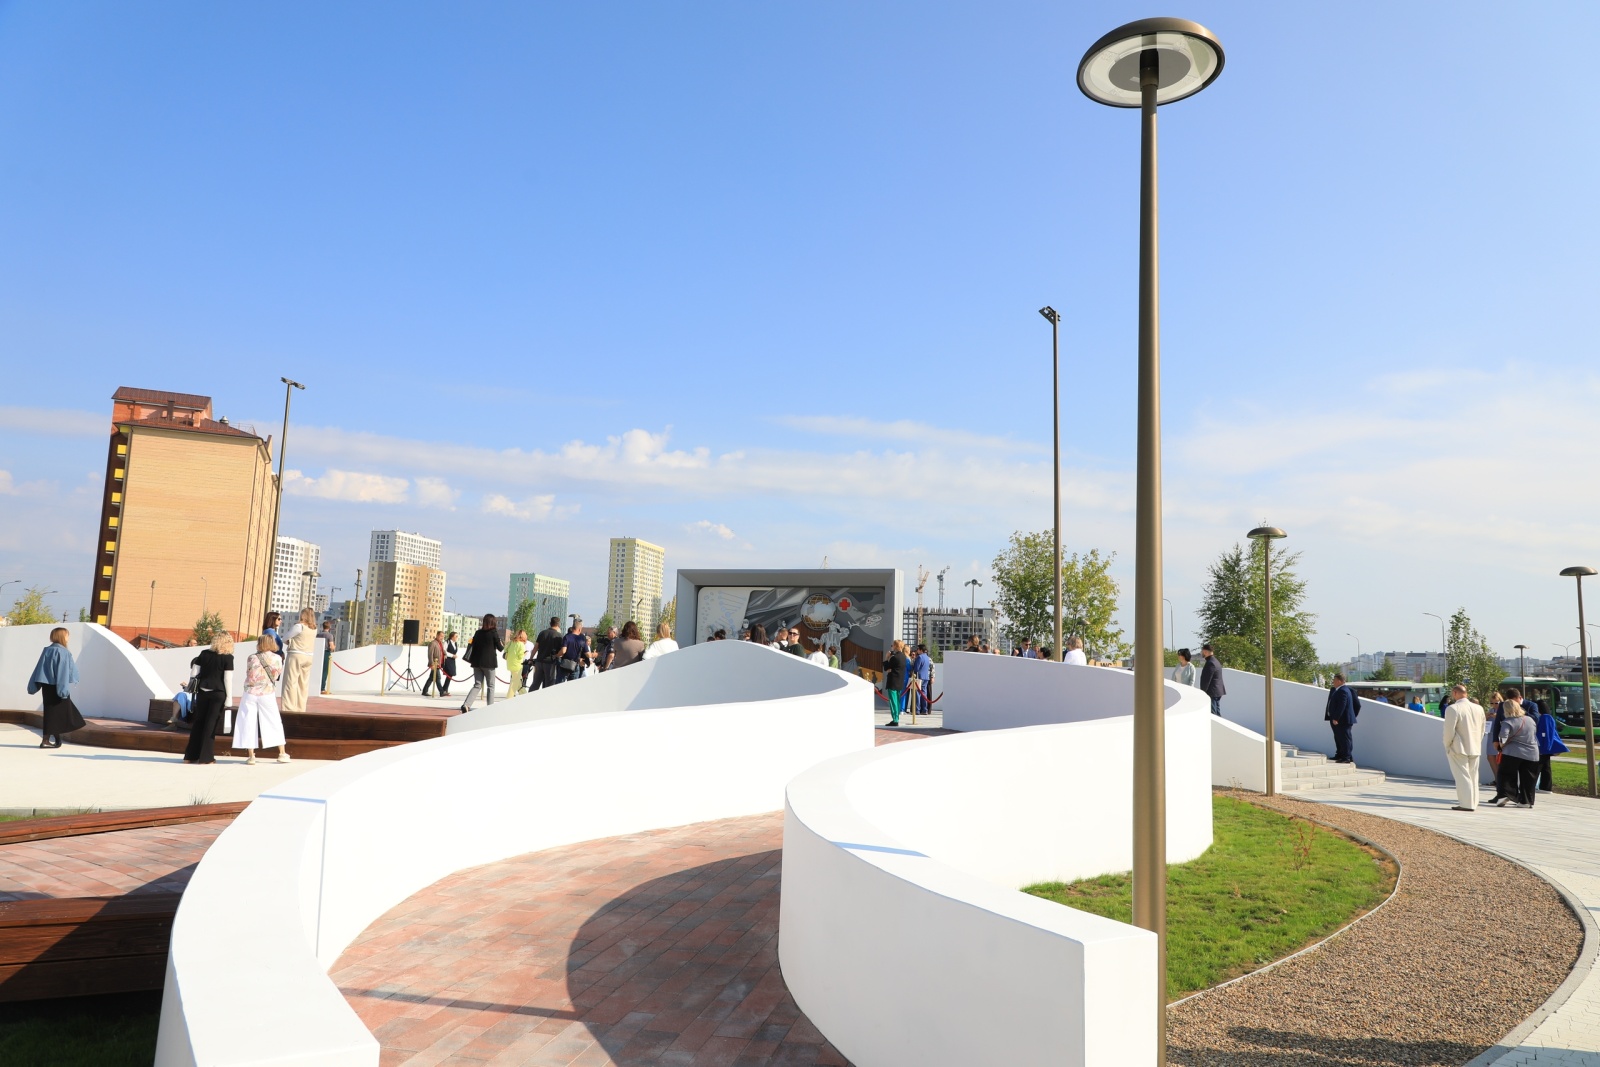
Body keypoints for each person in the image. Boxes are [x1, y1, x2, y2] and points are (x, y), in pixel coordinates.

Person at [235, 635, 289, 765]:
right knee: (274, 721)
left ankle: (251, 756)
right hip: (267, 692)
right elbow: (276, 676)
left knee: (248, 722)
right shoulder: (277, 658)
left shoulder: (252, 657)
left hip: (250, 693)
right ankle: (281, 753)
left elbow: (249, 674)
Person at [27, 627, 85, 748]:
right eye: (67, 635)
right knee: (65, 713)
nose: (68, 638)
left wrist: (34, 685)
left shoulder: (47, 650)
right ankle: (50, 739)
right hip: (58, 686)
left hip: (47, 687)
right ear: (62, 636)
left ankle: (49, 740)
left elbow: (39, 668)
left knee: (52, 713)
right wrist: (63, 691)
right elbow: (62, 673)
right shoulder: (63, 652)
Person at [185, 634, 235, 764]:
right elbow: (227, 679)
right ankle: (206, 758)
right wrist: (229, 698)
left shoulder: (204, 653)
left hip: (202, 691)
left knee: (198, 722)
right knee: (210, 725)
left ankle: (190, 756)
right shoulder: (228, 657)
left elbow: (194, 672)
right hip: (218, 693)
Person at [1441, 683, 1485, 811]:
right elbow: (1482, 729)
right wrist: (1477, 742)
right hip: (1475, 746)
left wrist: (1447, 744)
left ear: (1455, 693)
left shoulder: (1453, 708)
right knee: (1473, 776)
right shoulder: (1479, 708)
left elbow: (1448, 730)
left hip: (1458, 747)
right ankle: (1473, 802)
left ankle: (1466, 804)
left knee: (1462, 776)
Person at [1494, 698, 1540, 807]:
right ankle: (1526, 801)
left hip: (1512, 752)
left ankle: (1505, 794)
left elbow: (1503, 738)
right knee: (1528, 778)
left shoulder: (1507, 722)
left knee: (1505, 774)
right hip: (1532, 753)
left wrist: (1500, 746)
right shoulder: (1530, 720)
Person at [460, 614, 505, 711]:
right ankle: (490, 708)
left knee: (477, 685)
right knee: (491, 686)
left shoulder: (477, 633)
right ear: (493, 623)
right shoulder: (493, 632)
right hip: (489, 664)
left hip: (476, 663)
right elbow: (500, 648)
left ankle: (466, 705)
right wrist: (501, 642)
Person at [280, 608, 317, 714]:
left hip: (296, 654)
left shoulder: (299, 626)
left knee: (290, 682)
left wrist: (291, 641)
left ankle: (289, 709)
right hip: (309, 656)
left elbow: (284, 638)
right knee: (303, 684)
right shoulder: (314, 629)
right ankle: (301, 708)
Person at [1535, 699, 1569, 792]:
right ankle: (1545, 787)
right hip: (1546, 746)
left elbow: (1545, 734)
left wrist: (1543, 747)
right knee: (1546, 767)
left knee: (1539, 766)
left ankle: (1538, 786)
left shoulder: (1544, 718)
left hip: (1543, 746)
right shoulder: (1548, 717)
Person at [1325, 673, 1357, 764]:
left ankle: (1346, 757)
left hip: (1342, 720)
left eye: (1334, 680)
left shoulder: (1343, 690)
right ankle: (1341, 754)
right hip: (1340, 719)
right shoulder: (1339, 690)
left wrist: (1336, 718)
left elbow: (1342, 705)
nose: (1333, 682)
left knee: (1345, 738)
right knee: (1339, 738)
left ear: (1339, 681)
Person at [531, 617, 564, 690]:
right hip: (550, 662)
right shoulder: (559, 636)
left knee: (535, 683)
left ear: (550, 623)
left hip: (539, 661)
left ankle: (530, 696)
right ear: (558, 624)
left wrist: (531, 658)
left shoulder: (542, 633)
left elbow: (536, 647)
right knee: (549, 685)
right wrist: (556, 655)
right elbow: (562, 651)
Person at [883, 639, 910, 727]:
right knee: (897, 701)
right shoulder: (904, 657)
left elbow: (886, 667)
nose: (892, 647)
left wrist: (887, 658)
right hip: (899, 681)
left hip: (893, 681)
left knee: (893, 701)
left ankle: (895, 719)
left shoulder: (894, 657)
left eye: (893, 645)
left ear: (896, 646)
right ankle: (896, 718)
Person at [560, 619, 590, 683]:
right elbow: (587, 654)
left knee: (559, 684)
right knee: (573, 685)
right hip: (575, 664)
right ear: (579, 629)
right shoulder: (582, 639)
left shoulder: (567, 637)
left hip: (565, 664)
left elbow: (563, 651)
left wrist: (557, 655)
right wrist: (595, 654)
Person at [1199, 644, 1226, 717]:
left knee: (1213, 715)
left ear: (1205, 651)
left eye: (1202, 651)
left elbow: (1206, 679)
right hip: (1217, 691)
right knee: (1217, 714)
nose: (1201, 653)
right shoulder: (1215, 661)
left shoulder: (1210, 663)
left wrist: (1203, 692)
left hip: (1212, 692)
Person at [422, 630, 445, 696]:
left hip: (439, 663)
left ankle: (424, 691)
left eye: (443, 636)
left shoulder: (441, 643)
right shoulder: (433, 643)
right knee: (438, 678)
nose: (442, 638)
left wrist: (445, 655)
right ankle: (441, 692)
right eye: (441, 636)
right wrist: (431, 664)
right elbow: (430, 654)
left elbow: (442, 651)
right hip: (434, 663)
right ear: (437, 635)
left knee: (431, 678)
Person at [911, 643, 932, 715]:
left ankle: (917, 710)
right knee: (924, 693)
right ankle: (924, 709)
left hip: (919, 677)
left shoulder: (919, 657)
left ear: (920, 650)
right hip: (926, 677)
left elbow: (916, 668)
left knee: (917, 693)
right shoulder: (927, 657)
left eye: (918, 649)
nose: (917, 651)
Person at [319, 620, 336, 694]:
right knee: (325, 671)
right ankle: (322, 688)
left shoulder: (318, 635)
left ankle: (317, 687)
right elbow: (331, 647)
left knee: (318, 670)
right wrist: (334, 647)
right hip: (326, 653)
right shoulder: (329, 635)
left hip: (318, 653)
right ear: (329, 627)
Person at [441, 631, 459, 697]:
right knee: (449, 674)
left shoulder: (455, 643)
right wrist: (452, 655)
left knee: (450, 675)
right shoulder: (447, 642)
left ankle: (445, 689)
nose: (457, 637)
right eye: (456, 636)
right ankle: (444, 690)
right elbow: (444, 651)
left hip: (452, 660)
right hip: (448, 660)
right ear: (452, 637)